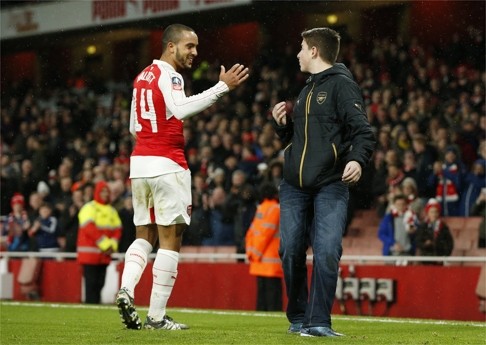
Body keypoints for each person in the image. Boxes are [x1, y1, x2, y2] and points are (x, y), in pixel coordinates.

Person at [116, 23, 249, 331]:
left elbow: (134, 126)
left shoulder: (141, 77)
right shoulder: (169, 74)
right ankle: (157, 317)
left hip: (140, 165)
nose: (195, 53)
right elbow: (179, 109)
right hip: (168, 163)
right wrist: (221, 87)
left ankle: (126, 288)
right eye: (190, 46)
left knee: (143, 235)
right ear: (171, 47)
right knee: (170, 240)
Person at [271, 27, 375, 337]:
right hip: (294, 184)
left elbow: (363, 132)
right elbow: (301, 141)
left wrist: (356, 159)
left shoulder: (343, 87)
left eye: (302, 48)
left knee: (327, 250)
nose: (299, 53)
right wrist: (282, 127)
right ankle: (300, 316)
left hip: (331, 181)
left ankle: (318, 322)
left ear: (315, 51)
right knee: (290, 250)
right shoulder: (305, 91)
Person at [77, 181, 121, 304]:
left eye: (107, 191)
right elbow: (89, 228)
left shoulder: (112, 210)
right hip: (90, 255)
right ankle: (90, 310)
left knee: (100, 284)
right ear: (97, 192)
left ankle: (93, 309)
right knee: (91, 285)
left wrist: (111, 245)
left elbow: (117, 230)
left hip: (104, 255)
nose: (105, 194)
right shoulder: (89, 207)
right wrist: (107, 244)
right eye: (103, 191)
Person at [245, 183, 283, 311]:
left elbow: (251, 232)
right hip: (270, 260)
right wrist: (257, 253)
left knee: (261, 296)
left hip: (258, 261)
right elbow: (266, 234)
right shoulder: (276, 209)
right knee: (273, 296)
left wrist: (251, 253)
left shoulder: (261, 208)